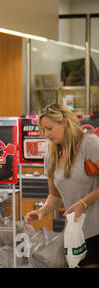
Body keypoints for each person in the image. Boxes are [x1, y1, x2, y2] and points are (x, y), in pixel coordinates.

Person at [24, 103, 99, 268]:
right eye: (43, 130)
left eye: (49, 128)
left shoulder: (90, 144)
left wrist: (83, 203)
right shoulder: (51, 156)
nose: (47, 134)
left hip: (96, 228)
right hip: (75, 232)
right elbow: (55, 196)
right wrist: (42, 210)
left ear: (64, 122)